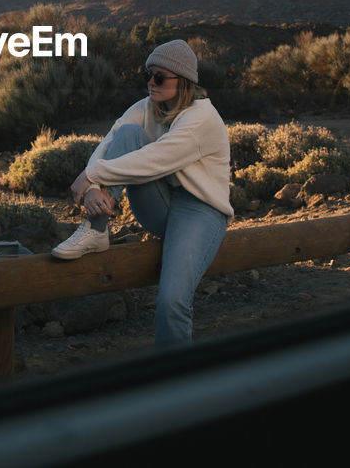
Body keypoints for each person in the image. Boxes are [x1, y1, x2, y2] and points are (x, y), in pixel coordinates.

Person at [52, 38, 233, 345]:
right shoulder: (146, 108)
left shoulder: (202, 118)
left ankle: (173, 385)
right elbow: (110, 142)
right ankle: (97, 230)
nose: (151, 82)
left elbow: (154, 160)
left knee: (172, 302)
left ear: (184, 80)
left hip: (200, 210)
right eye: (148, 75)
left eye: (159, 77)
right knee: (128, 133)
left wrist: (92, 174)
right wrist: (94, 186)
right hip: (161, 203)